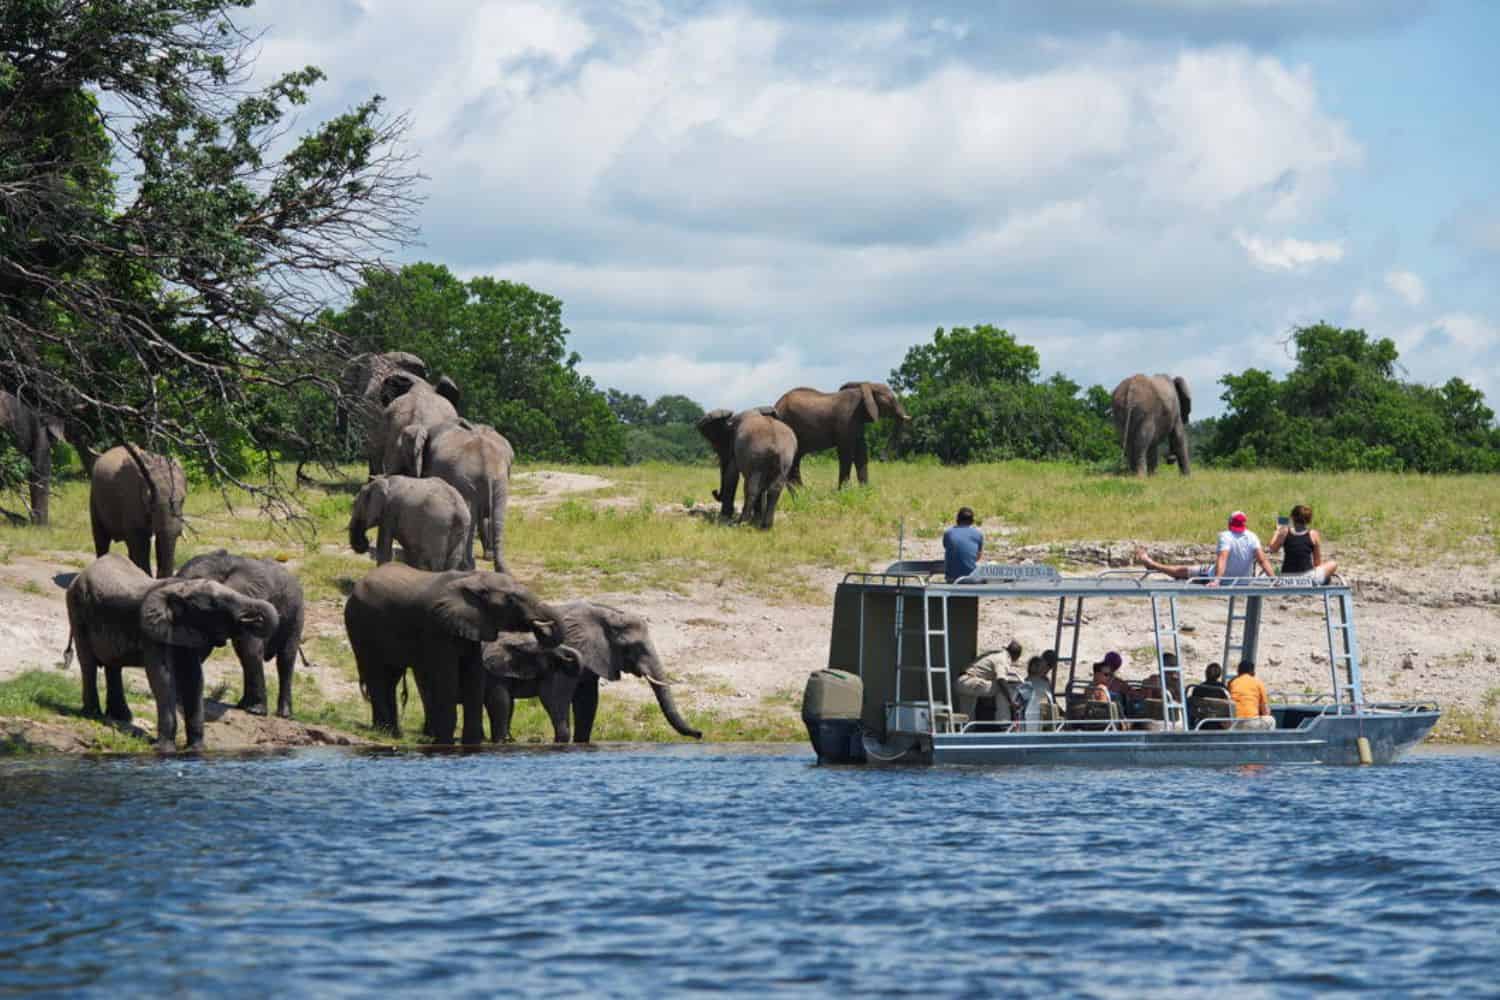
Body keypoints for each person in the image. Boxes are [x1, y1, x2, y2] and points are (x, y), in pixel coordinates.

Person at [1134, 511, 1275, 585]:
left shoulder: (1225, 536)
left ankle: (1151, 564)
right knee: (1194, 569)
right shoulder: (1253, 537)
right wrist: (1273, 579)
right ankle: (1152, 565)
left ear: (1230, 523)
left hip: (1219, 577)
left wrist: (1216, 580)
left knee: (1181, 571)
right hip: (1243, 581)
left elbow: (1223, 558)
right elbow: (1263, 560)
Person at [1268, 504, 1338, 585]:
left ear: (1292, 517)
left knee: (1270, 570)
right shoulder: (1313, 534)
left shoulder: (1285, 532)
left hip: (1287, 579)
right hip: (1307, 580)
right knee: (1333, 564)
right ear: (1309, 519)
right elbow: (1317, 563)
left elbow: (1272, 549)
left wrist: (1277, 532)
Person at [953, 640, 1021, 720]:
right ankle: (1003, 720)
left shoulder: (996, 654)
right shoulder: (1003, 658)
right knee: (1004, 687)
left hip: (962, 682)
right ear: (1016, 656)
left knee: (967, 717)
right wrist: (1011, 702)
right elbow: (1001, 680)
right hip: (969, 681)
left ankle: (965, 731)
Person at [1228, 661, 1275, 730]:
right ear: (1252, 671)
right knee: (1271, 720)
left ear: (1238, 671)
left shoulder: (1232, 682)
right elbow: (1265, 711)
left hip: (1235, 722)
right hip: (1251, 722)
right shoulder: (1258, 683)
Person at [942, 507, 983, 583]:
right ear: (972, 521)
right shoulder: (978, 534)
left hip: (951, 578)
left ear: (957, 519)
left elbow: (948, 549)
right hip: (971, 578)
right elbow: (977, 557)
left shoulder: (948, 533)